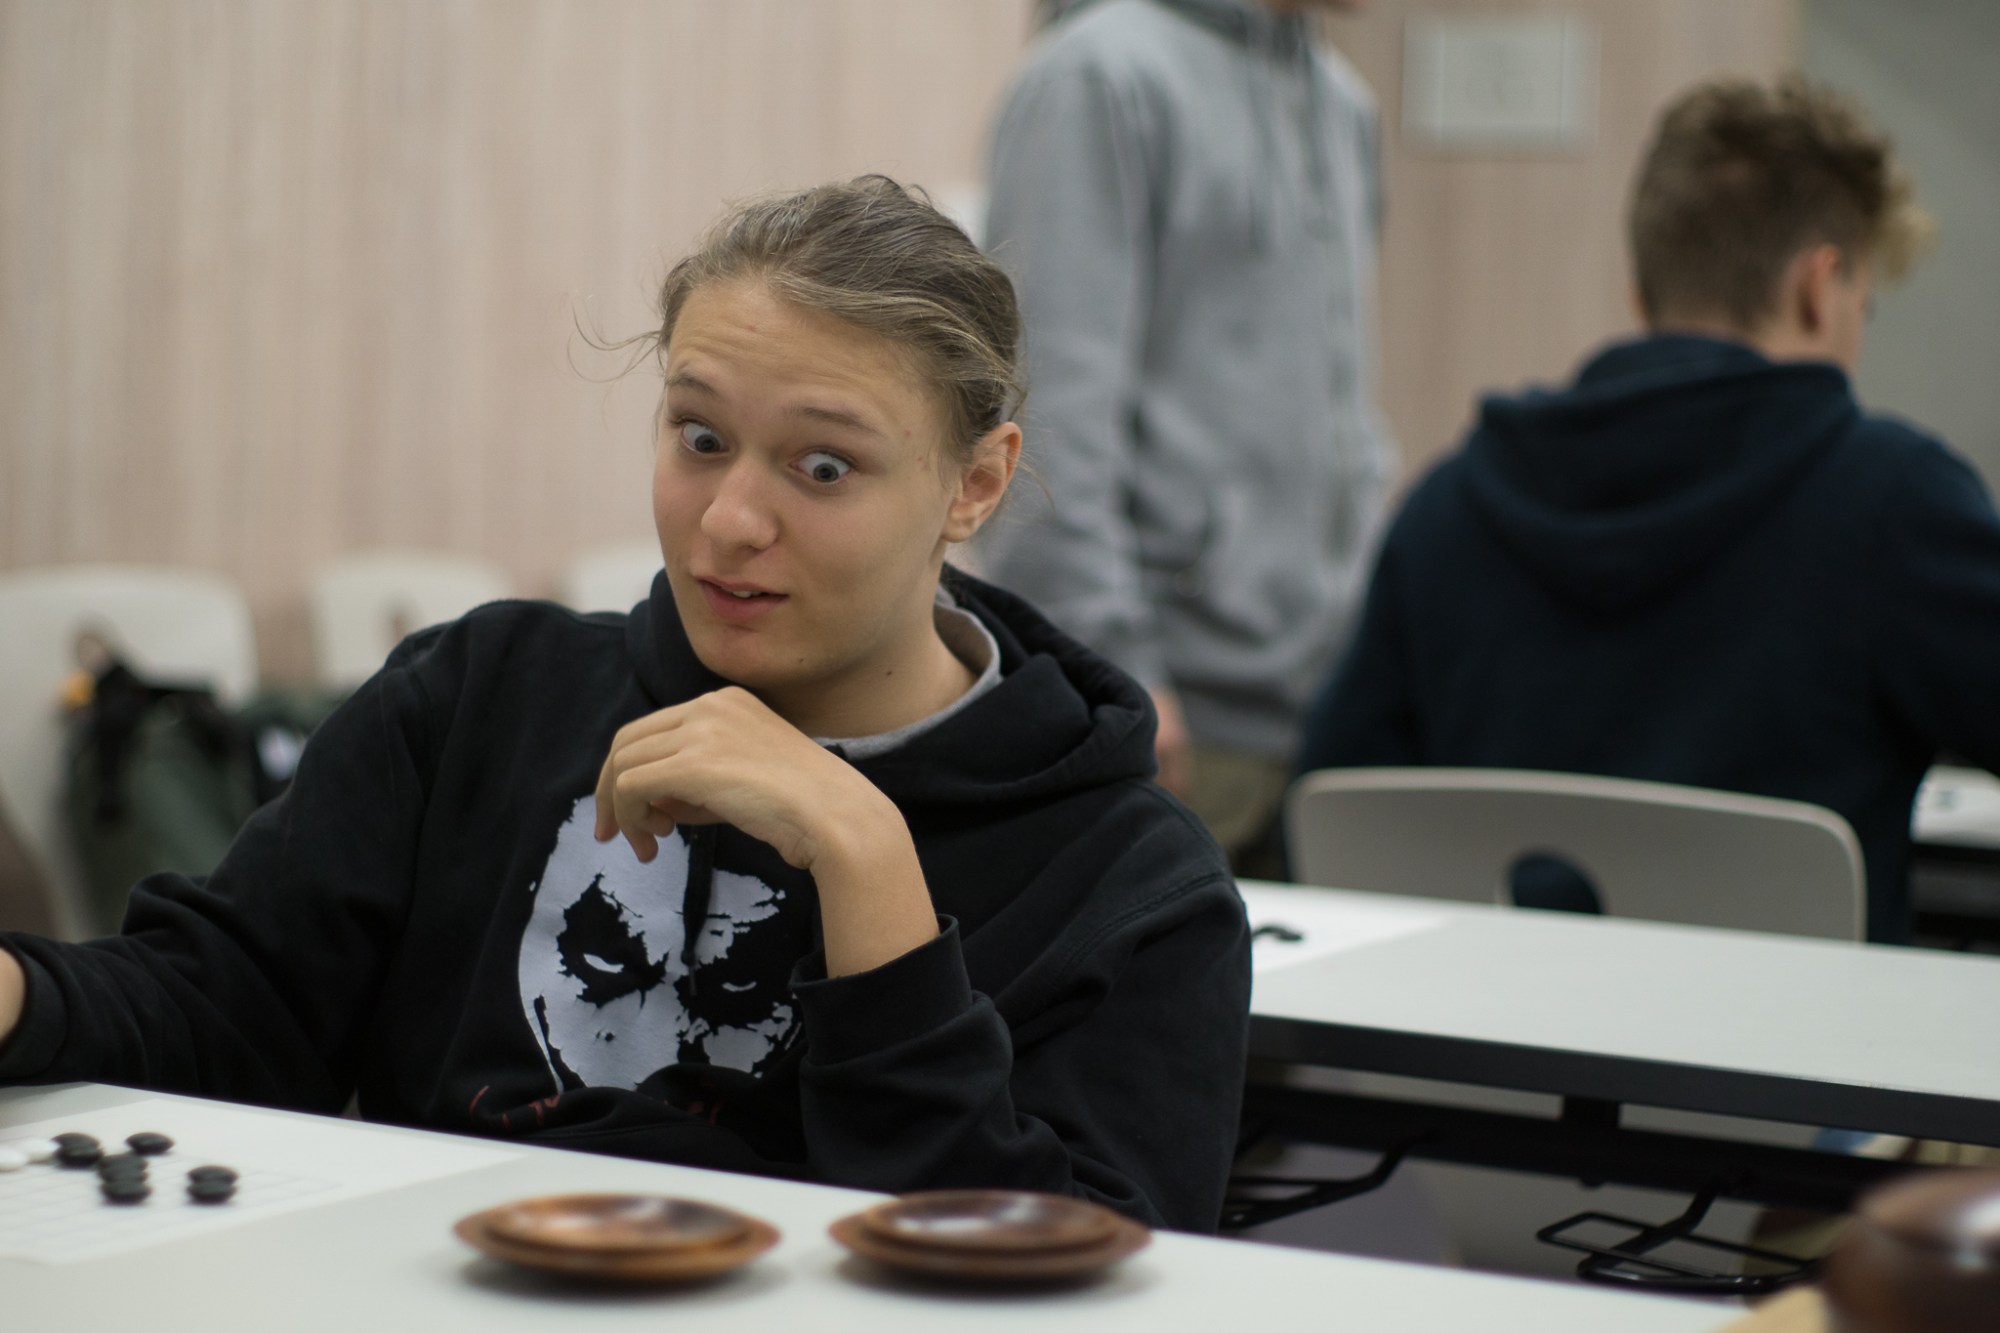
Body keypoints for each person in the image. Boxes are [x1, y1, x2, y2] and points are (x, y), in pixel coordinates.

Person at [0, 178, 1252, 1231]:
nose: (730, 521)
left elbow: (1077, 1273)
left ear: (974, 483)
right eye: (698, 437)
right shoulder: (482, 696)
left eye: (823, 466)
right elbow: (225, 1010)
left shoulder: (1131, 878)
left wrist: (866, 858)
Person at [1297, 78, 1998, 945]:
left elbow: (1331, 811)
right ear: (1819, 288)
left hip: (1485, 1027)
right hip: (1790, 1034)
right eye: (1866, 305)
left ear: (1641, 293)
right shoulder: (1895, 504)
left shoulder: (1449, 507)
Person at [978, 0, 1394, 875]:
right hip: (1167, 716)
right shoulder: (1097, 79)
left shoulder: (1343, 102)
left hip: (1320, 712)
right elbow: (1044, 422)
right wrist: (1113, 671)